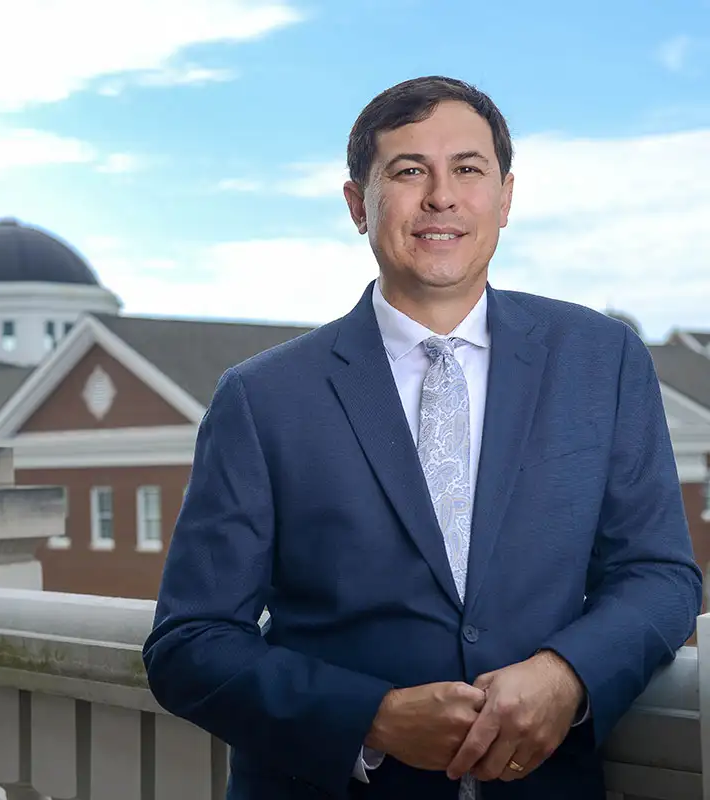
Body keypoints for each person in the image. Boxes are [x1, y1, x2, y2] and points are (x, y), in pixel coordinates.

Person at [142, 76, 702, 799]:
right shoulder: (261, 398)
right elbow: (188, 645)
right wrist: (370, 717)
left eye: (468, 170)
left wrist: (567, 673)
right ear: (357, 204)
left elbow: (660, 574)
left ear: (505, 197)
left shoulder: (602, 359)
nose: (442, 197)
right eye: (409, 171)